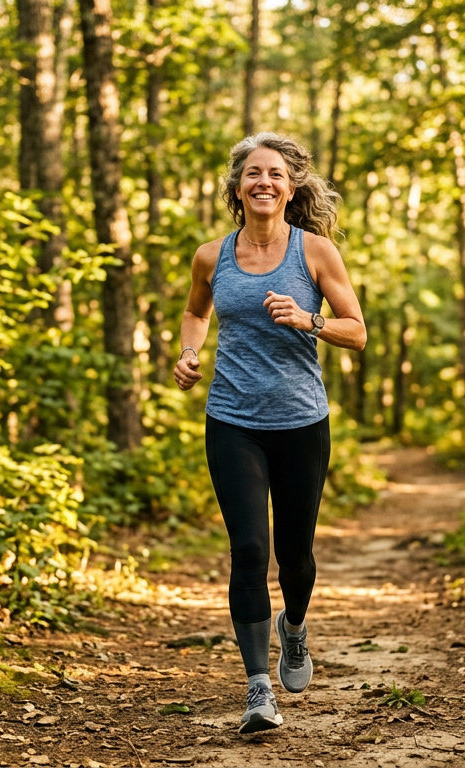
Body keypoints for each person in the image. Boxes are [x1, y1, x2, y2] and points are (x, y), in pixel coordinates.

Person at [173, 132, 366, 733]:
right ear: (237, 188)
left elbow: (357, 331)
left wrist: (309, 320)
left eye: (275, 174)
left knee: (295, 557)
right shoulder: (212, 256)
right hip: (232, 420)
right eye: (253, 173)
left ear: (290, 187)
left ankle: (295, 627)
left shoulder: (315, 252)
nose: (263, 182)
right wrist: (188, 352)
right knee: (250, 549)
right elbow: (196, 312)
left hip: (302, 421)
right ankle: (258, 687)